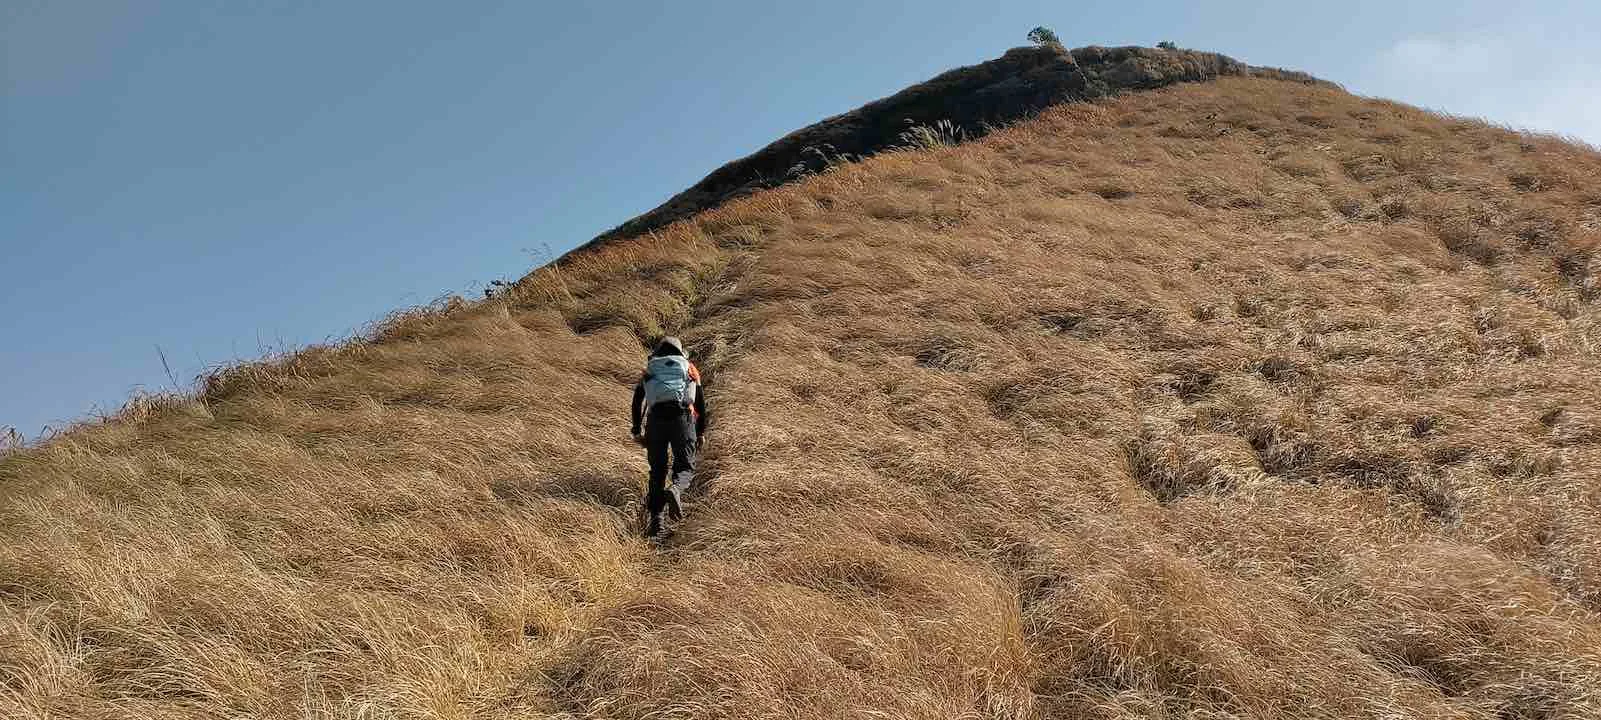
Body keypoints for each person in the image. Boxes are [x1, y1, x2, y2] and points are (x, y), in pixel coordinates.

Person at [630, 337, 707, 536]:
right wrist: (700, 433)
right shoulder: (689, 368)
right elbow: (700, 404)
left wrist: (637, 430)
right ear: (680, 351)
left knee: (657, 471)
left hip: (655, 421)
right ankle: (676, 489)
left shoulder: (651, 368)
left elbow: (637, 400)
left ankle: (657, 525)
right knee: (685, 467)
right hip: (682, 419)